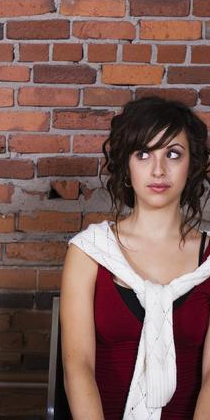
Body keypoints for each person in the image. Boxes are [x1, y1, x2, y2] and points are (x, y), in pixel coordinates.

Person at [61, 96, 210, 419]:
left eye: (173, 154)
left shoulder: (209, 259)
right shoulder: (88, 252)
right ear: (127, 166)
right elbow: (79, 368)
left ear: (192, 165)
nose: (158, 170)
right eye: (143, 154)